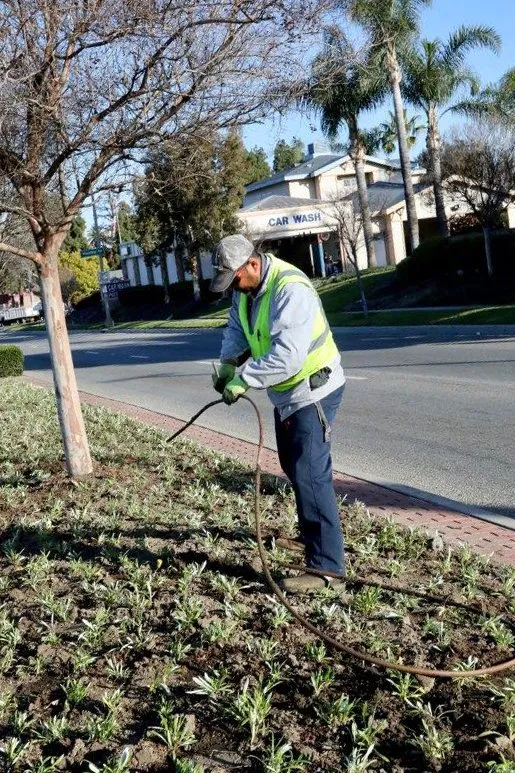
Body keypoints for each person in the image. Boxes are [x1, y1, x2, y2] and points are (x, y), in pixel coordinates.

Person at [210, 234, 346, 594]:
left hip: (313, 389)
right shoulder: (248, 292)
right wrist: (227, 363)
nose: (233, 288)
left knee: (310, 474)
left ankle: (328, 571)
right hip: (286, 394)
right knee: (294, 466)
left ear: (252, 264)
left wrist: (243, 380)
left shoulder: (291, 289)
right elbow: (238, 329)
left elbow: (288, 356)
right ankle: (311, 539)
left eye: (235, 279)